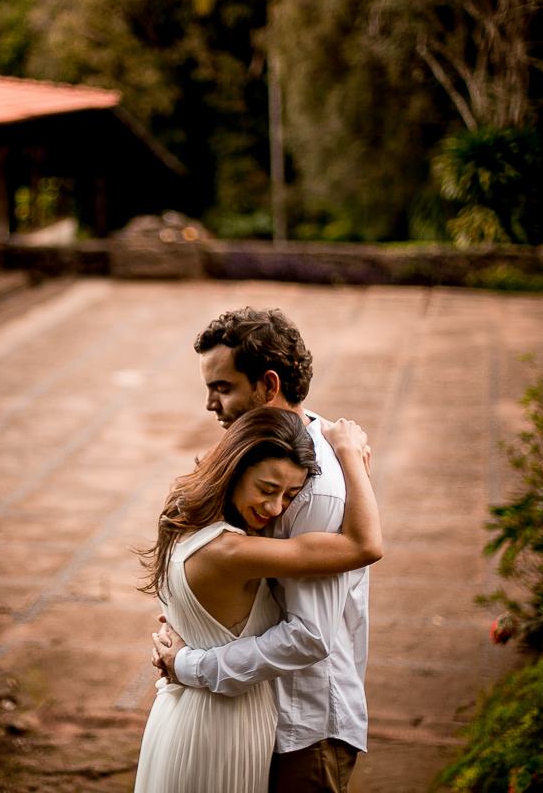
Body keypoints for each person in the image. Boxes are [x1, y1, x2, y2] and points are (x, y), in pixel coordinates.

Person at [151, 307, 379, 793]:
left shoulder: (315, 489)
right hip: (253, 713)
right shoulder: (264, 459)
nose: (210, 404)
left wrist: (190, 663)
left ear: (268, 385)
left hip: (303, 731)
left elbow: (309, 637)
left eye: (223, 387)